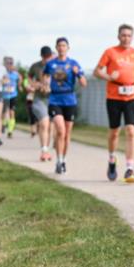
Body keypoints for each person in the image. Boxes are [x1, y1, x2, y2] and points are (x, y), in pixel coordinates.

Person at [94, 24, 134, 183]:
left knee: (131, 131)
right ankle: (112, 160)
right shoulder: (110, 52)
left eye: (129, 36)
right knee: (114, 132)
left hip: (131, 96)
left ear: (132, 37)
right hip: (114, 97)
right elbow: (97, 71)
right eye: (123, 35)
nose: (126, 38)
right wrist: (109, 77)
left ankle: (129, 169)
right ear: (118, 36)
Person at [43, 37, 87, 174]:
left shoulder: (73, 63)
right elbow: (44, 76)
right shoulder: (51, 64)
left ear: (68, 48)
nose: (62, 48)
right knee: (61, 131)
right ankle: (59, 160)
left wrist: (78, 73)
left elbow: (84, 83)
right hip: (55, 100)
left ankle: (63, 160)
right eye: (59, 46)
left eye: (64, 45)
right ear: (56, 48)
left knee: (67, 134)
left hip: (70, 100)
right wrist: (46, 85)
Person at [27, 46, 55, 161]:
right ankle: (44, 151)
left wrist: (51, 88)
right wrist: (35, 85)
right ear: (41, 56)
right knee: (44, 123)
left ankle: (47, 149)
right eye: (44, 57)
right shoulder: (35, 66)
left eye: (48, 57)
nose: (46, 60)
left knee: (50, 127)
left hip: (53, 99)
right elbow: (28, 78)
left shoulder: (56, 66)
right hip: (39, 99)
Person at [1, 56, 22, 139]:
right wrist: (3, 81)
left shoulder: (15, 73)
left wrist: (19, 85)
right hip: (4, 95)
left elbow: (20, 78)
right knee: (4, 112)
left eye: (11, 63)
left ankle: (10, 131)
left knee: (11, 112)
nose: (9, 65)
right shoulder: (3, 73)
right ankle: (3, 124)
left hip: (13, 95)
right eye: (8, 63)